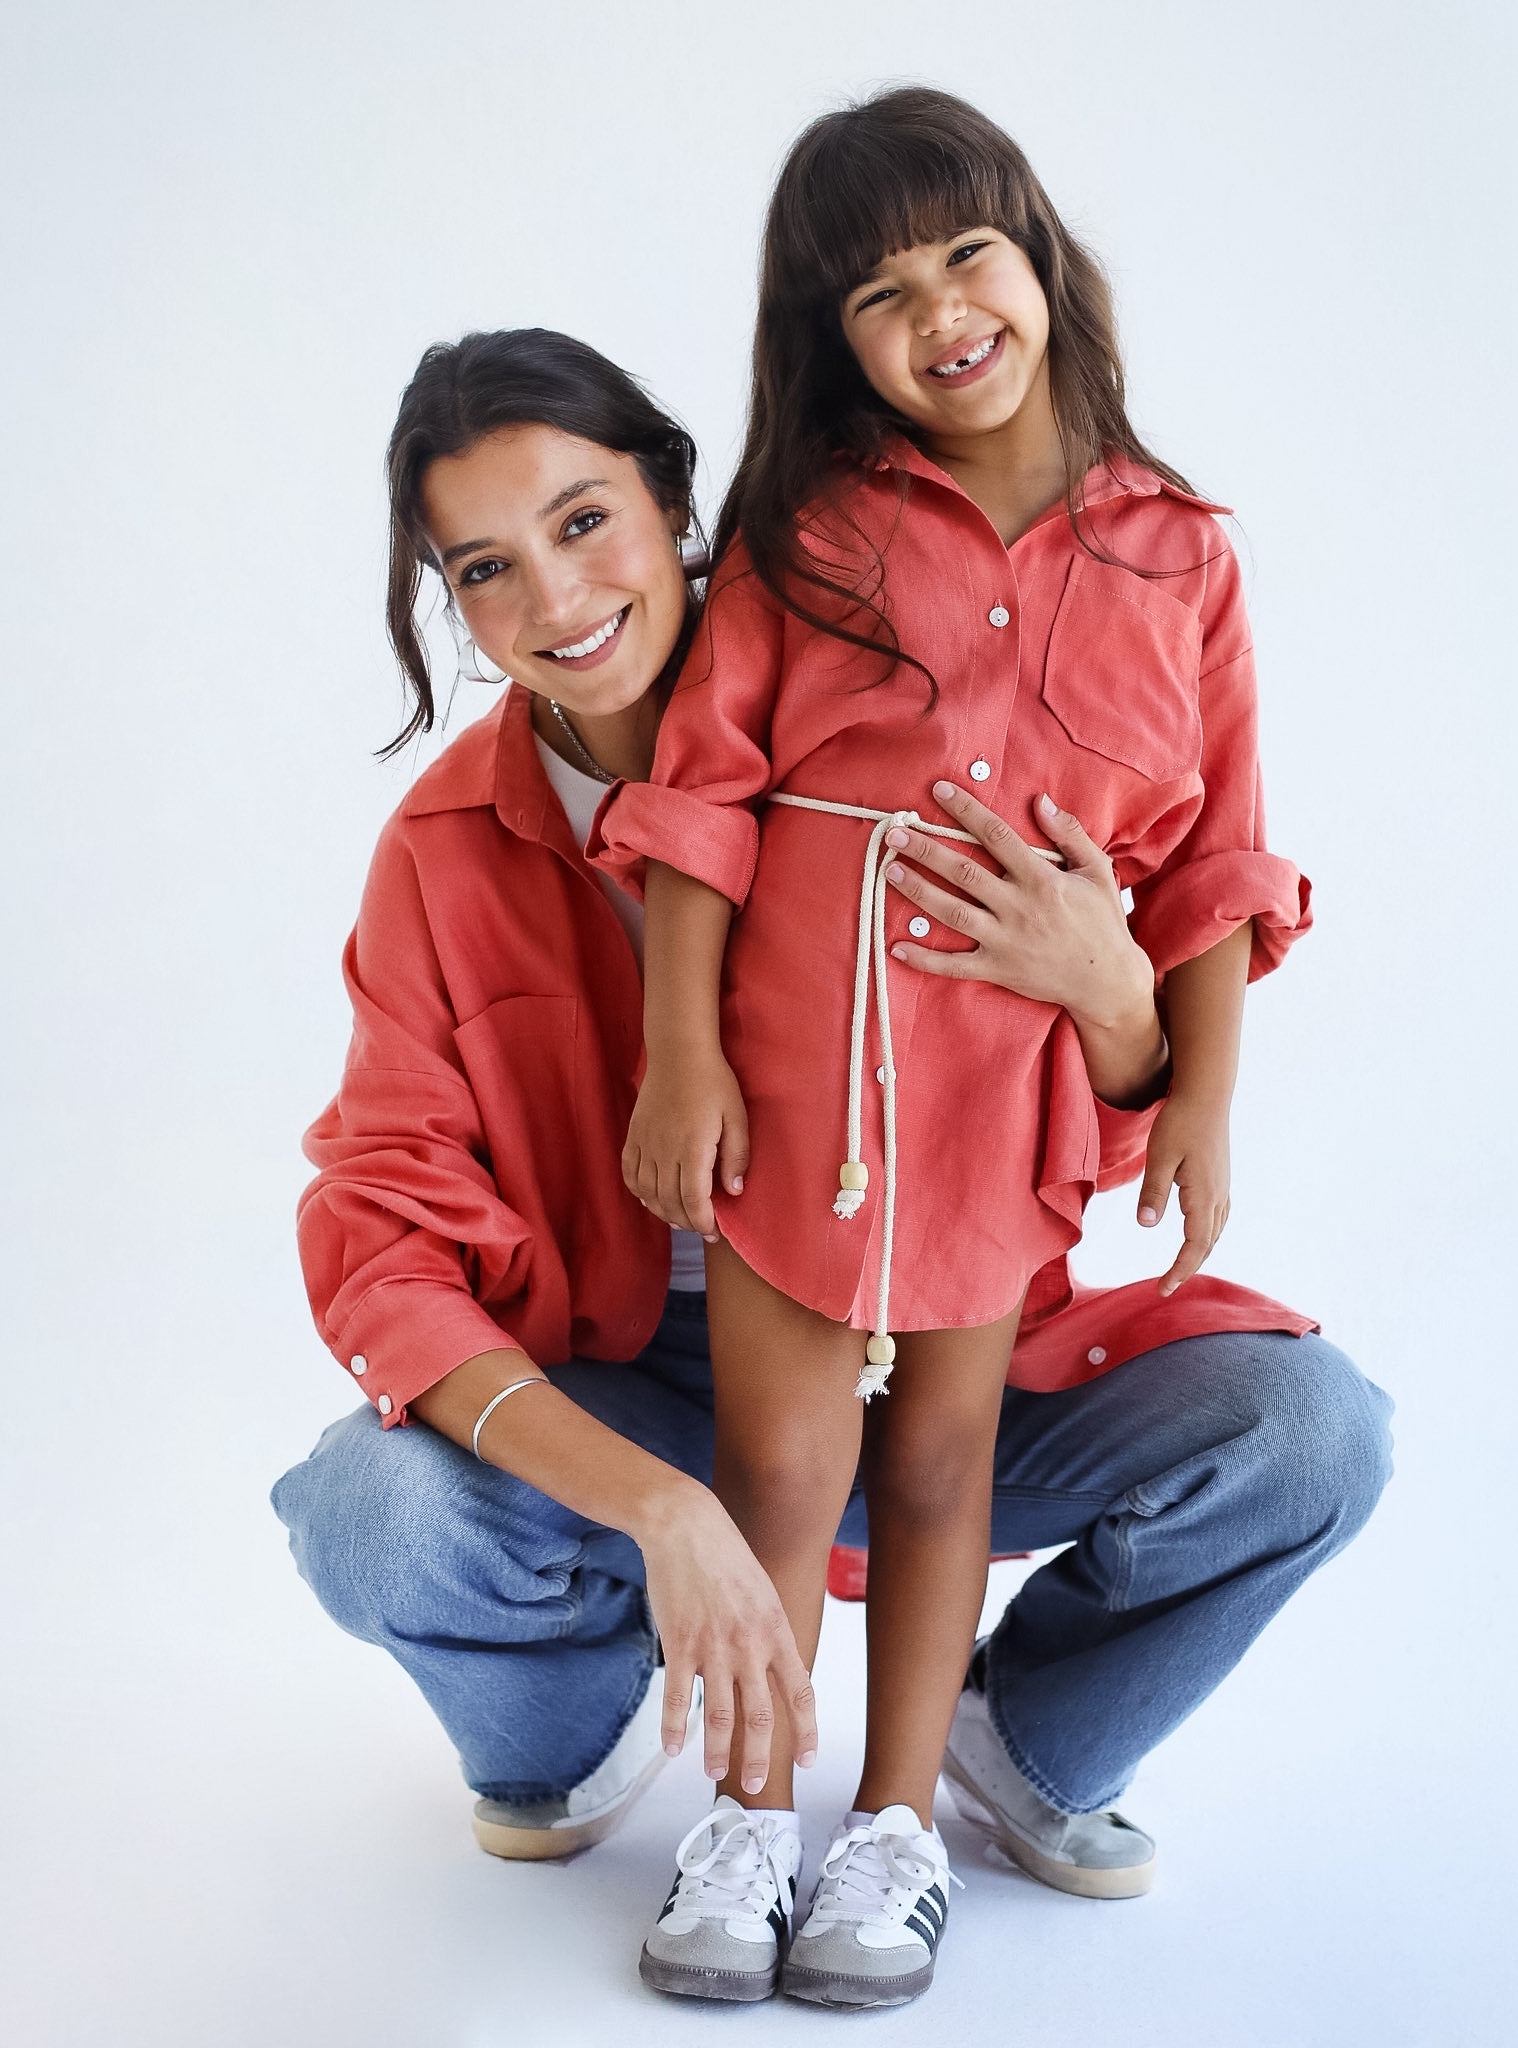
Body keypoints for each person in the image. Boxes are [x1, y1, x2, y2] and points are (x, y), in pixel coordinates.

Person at [270, 322, 1391, 2008]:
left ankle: (996, 1752)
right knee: (375, 1512)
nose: (555, 601)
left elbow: (1076, 1132)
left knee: (1311, 1430)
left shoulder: (882, 693)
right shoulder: (442, 854)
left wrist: (1114, 1001)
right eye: (485, 568)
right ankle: (604, 1727)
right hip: (648, 1382)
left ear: (673, 498)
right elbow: (382, 1253)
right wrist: (658, 1509)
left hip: (950, 1340)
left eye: (585, 522)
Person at [598, 87, 1322, 2008]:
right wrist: (685, 1060)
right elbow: (697, 805)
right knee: (779, 1468)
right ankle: (753, 1811)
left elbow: (1219, 865)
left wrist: (1205, 1102)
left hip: (1010, 1101)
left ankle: (896, 1829)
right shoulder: (807, 533)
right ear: (828, 343)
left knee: (939, 1470)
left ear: (1040, 255)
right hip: (800, 1085)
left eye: (963, 257)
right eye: (874, 295)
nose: (936, 315)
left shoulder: (1185, 556)